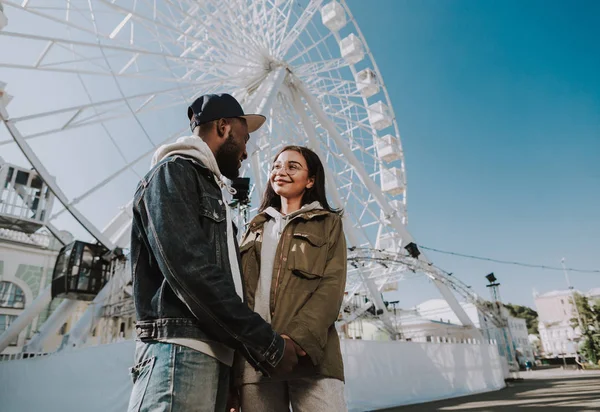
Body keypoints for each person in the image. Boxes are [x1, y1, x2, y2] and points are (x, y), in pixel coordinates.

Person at [127, 94, 299, 412]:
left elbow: (224, 284)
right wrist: (267, 344)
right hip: (178, 352)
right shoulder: (173, 173)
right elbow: (189, 270)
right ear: (223, 127)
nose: (248, 151)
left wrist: (231, 371)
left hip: (210, 359)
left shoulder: (213, 196)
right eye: (245, 138)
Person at [232, 145, 348, 412]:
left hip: (311, 357)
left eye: (292, 166)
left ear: (310, 180)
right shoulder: (253, 229)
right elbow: (239, 297)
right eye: (275, 166)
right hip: (255, 359)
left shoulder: (328, 223)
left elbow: (331, 288)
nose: (280, 171)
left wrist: (294, 342)